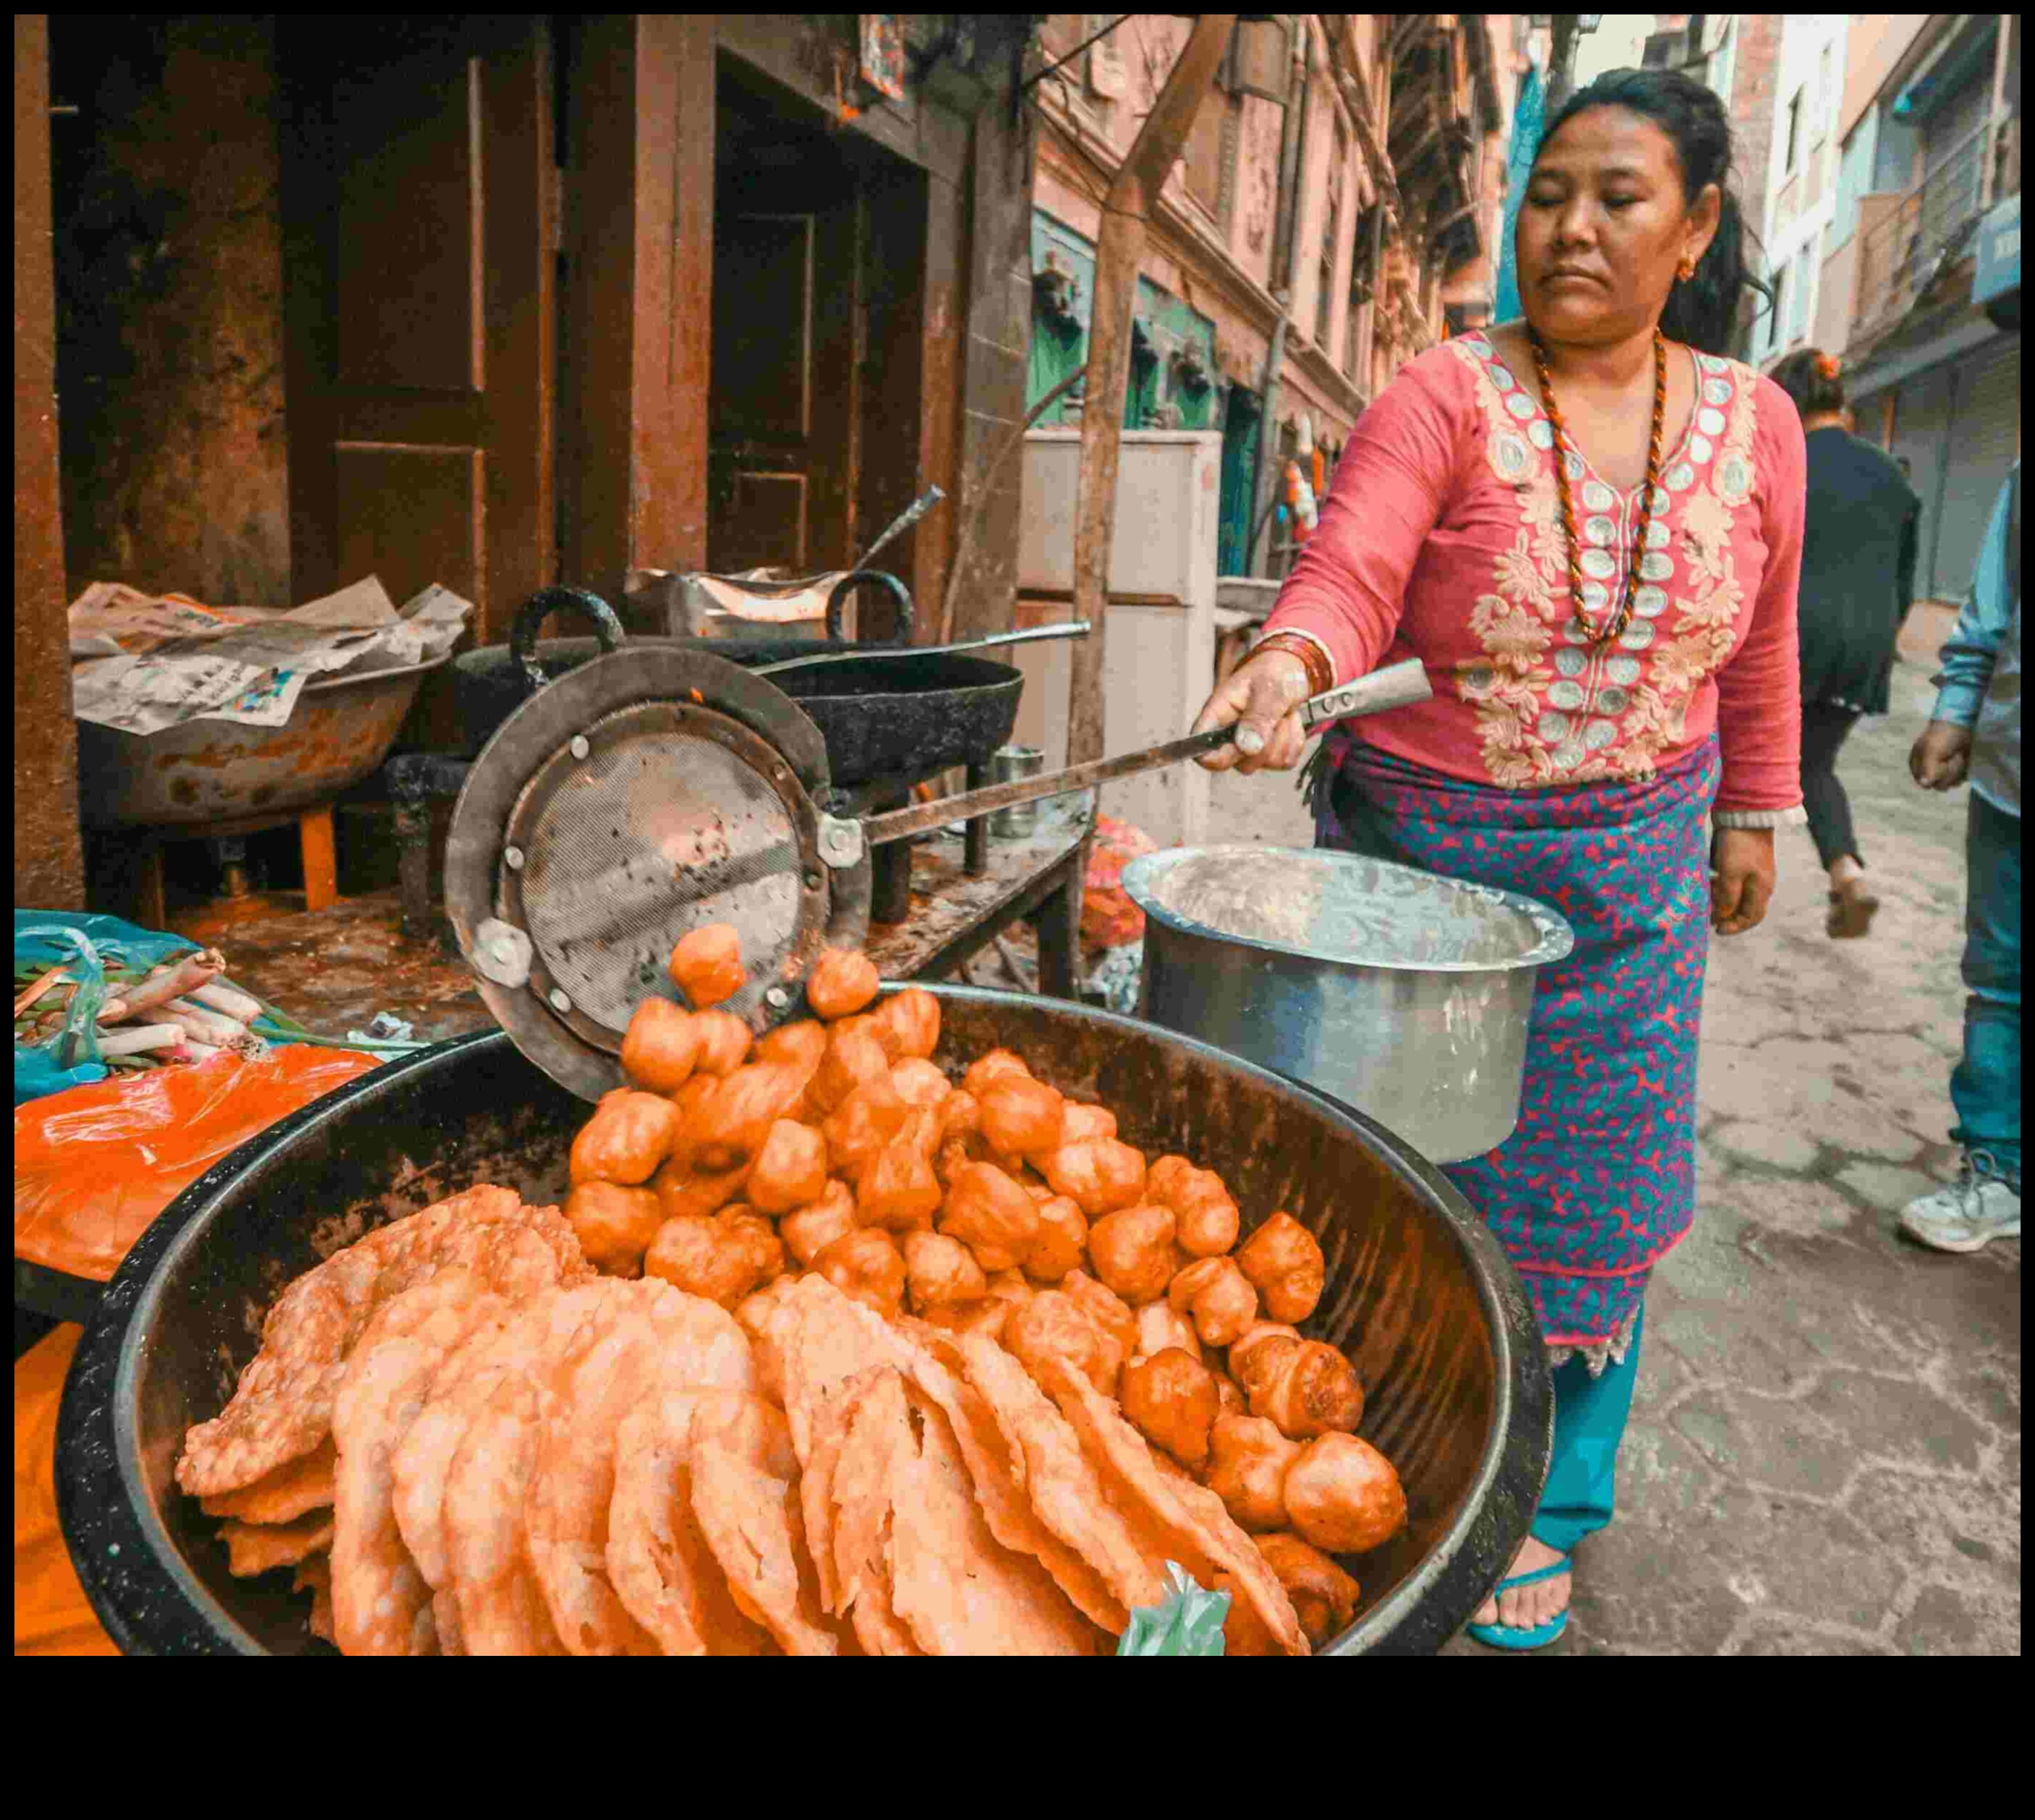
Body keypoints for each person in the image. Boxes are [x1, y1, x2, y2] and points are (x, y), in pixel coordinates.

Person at [1191, 67, 1804, 1649]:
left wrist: (1758, 807)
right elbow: (1351, 565)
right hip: (1418, 881)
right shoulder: (1441, 394)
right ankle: (1370, 1437)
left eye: (1622, 198)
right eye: (1551, 195)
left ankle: (1546, 1495)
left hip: (1637, 887)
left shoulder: (1760, 427)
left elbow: (1765, 641)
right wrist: (1285, 667)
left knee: (1597, 1201)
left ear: (1700, 226)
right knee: (1392, 1168)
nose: (1575, 230)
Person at [1902, 462, 2021, 1252]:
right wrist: (1955, 710)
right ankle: (1999, 1170)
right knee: (2002, 976)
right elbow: (1991, 607)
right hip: (2014, 777)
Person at [1769, 347, 1921, 937]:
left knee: (1733, 753)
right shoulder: (1892, 476)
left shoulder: (1784, 459)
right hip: (1866, 647)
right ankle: (1847, 873)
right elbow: (1903, 580)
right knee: (1814, 764)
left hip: (1788, 638)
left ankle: (1713, 878)